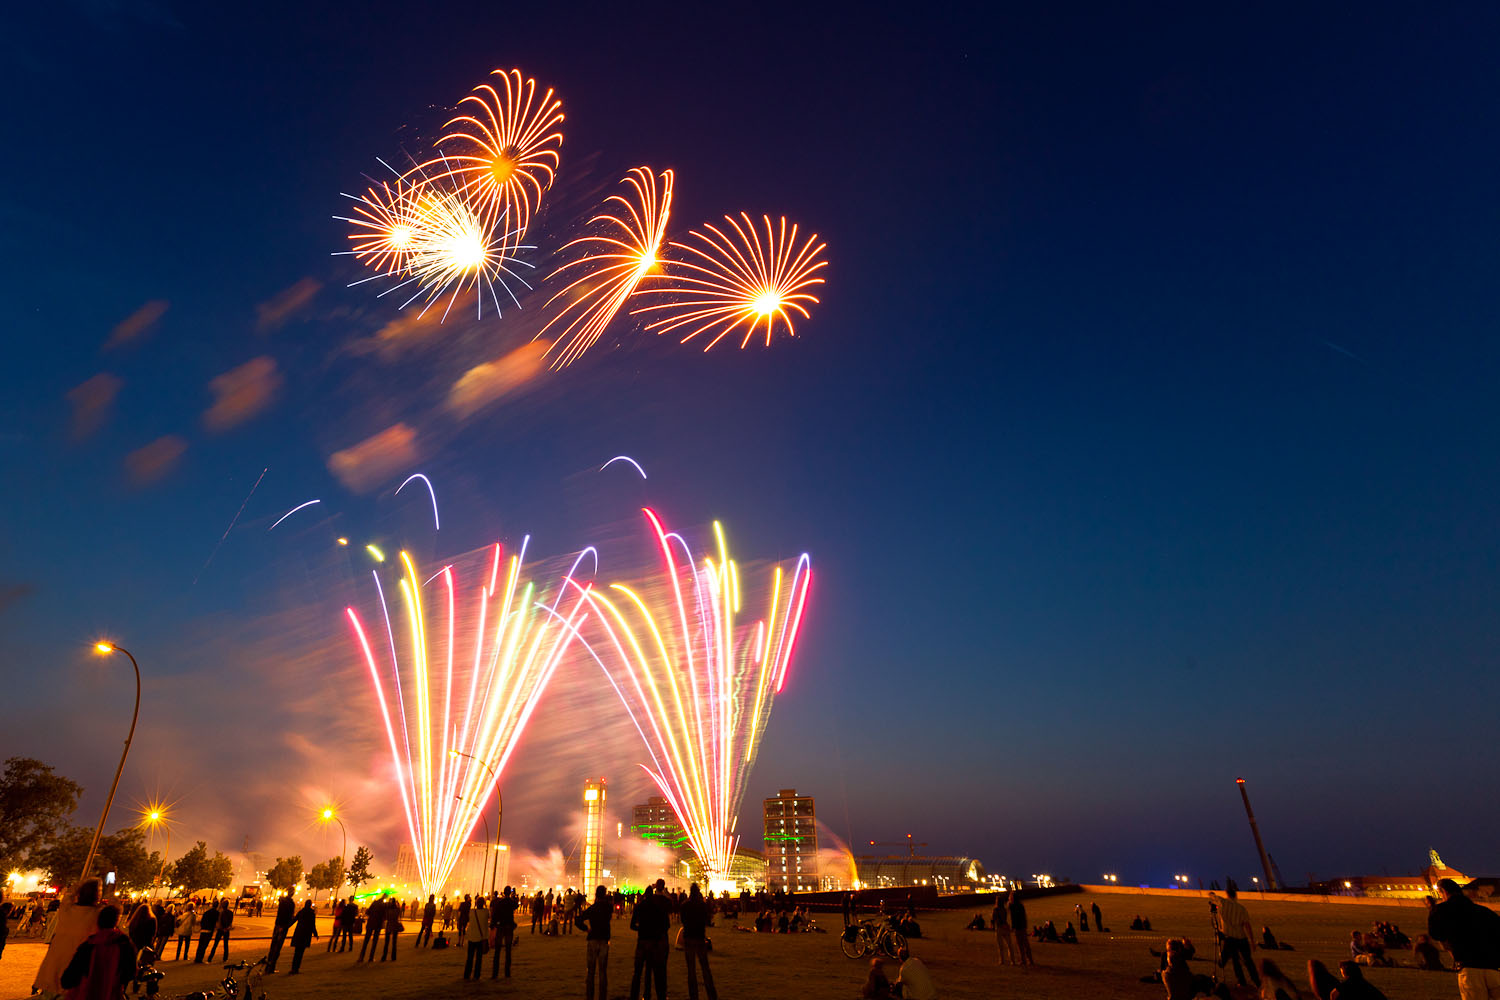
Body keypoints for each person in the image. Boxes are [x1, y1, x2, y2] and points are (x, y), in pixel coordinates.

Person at [1429, 877, 1500, 999]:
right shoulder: (1484, 912)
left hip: (1469, 969)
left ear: (1444, 892)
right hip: (1493, 968)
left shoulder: (1441, 910)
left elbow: (1438, 936)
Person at [36, 880, 104, 997]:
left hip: (56, 958)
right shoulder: (97, 914)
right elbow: (115, 910)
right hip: (76, 961)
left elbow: (68, 897)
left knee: (51, 991)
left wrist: (76, 887)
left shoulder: (66, 910)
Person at [60, 905, 136, 1000]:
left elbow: (68, 979)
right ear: (116, 922)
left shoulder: (88, 945)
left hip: (85, 994)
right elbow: (130, 973)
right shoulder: (125, 945)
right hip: (112, 994)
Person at [1211, 887, 1261, 988]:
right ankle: (1257, 982)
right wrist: (1252, 941)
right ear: (1235, 895)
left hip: (1230, 938)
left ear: (1227, 894)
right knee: (1248, 961)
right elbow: (1247, 926)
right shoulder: (1241, 908)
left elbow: (1212, 896)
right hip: (1242, 938)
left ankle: (1241, 981)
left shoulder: (1222, 903)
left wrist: (1212, 896)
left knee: (1236, 961)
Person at [630, 882, 670, 1000]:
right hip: (654, 942)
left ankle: (636, 995)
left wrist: (641, 929)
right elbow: (666, 925)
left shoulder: (639, 907)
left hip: (642, 941)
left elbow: (632, 925)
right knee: (654, 970)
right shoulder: (657, 908)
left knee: (638, 973)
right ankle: (656, 995)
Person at [680, 883, 717, 1000]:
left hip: (689, 937)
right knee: (705, 968)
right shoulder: (702, 905)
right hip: (700, 938)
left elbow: (683, 921)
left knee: (691, 970)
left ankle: (693, 996)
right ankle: (711, 995)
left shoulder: (684, 905)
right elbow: (707, 919)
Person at [577, 885, 612, 1000]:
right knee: (603, 972)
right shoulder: (608, 908)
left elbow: (578, 920)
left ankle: (590, 996)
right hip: (604, 941)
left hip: (592, 940)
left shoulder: (592, 909)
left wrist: (586, 929)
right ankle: (602, 996)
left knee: (590, 972)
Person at [491, 887, 517, 979]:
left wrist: (493, 924)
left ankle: (495, 973)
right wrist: (513, 896)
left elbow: (495, 914)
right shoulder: (511, 902)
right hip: (509, 926)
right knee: (508, 950)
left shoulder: (500, 902)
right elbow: (516, 905)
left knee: (497, 951)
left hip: (501, 926)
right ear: (509, 893)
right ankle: (507, 972)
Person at [265, 893, 295, 972]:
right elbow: (289, 916)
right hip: (283, 926)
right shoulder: (291, 903)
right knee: (277, 948)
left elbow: (280, 913)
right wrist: (287, 925)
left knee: (273, 946)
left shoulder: (282, 901)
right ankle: (271, 967)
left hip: (277, 925)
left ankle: (267, 966)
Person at [461, 895, 489, 981]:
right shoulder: (485, 912)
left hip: (471, 937)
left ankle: (467, 974)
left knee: (470, 957)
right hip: (481, 938)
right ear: (483, 904)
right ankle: (476, 975)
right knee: (479, 958)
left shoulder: (472, 912)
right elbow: (488, 917)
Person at [287, 900, 318, 975]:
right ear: (310, 905)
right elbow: (313, 925)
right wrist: (315, 934)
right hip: (306, 934)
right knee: (300, 953)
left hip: (299, 933)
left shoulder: (301, 912)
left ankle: (293, 968)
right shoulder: (311, 913)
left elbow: (293, 920)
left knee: (296, 952)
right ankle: (296, 969)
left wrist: (285, 927)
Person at [1007, 889, 1033, 967]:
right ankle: (1030, 960)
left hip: (1017, 927)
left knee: (1020, 945)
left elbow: (1007, 908)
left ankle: (1023, 960)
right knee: (1026, 944)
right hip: (1023, 926)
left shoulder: (1012, 906)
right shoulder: (1021, 905)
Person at [357, 895, 386, 962]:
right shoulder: (383, 906)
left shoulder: (374, 903)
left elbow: (368, 912)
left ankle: (361, 957)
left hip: (370, 923)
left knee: (366, 941)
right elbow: (385, 916)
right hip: (378, 925)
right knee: (374, 942)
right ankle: (371, 957)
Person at [192, 896, 218, 964]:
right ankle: (200, 959)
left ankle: (197, 958)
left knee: (200, 944)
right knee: (204, 945)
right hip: (209, 930)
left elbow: (202, 920)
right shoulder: (216, 913)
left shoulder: (207, 912)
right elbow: (216, 922)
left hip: (203, 930)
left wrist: (202, 927)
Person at [380, 896, 402, 961]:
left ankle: (384, 957)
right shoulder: (397, 910)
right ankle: (393, 957)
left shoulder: (388, 910)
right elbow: (399, 913)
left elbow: (386, 917)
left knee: (386, 943)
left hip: (389, 925)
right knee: (394, 942)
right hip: (395, 925)